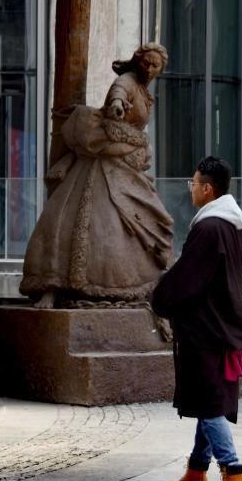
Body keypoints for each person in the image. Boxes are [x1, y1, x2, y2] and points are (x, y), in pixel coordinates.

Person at [20, 44, 174, 309]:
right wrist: (116, 105)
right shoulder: (127, 81)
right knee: (73, 221)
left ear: (161, 69)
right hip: (102, 162)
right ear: (138, 62)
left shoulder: (144, 90)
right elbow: (118, 94)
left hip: (126, 165)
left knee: (144, 218)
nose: (149, 68)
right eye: (146, 63)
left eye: (155, 65)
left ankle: (129, 285)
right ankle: (54, 285)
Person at [151, 157, 242, 481]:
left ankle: (234, 474)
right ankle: (197, 472)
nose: (191, 189)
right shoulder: (238, 227)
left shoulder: (210, 228)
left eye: (193, 183)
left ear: (208, 189)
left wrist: (160, 298)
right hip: (225, 323)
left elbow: (189, 278)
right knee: (209, 398)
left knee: (209, 404)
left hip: (206, 329)